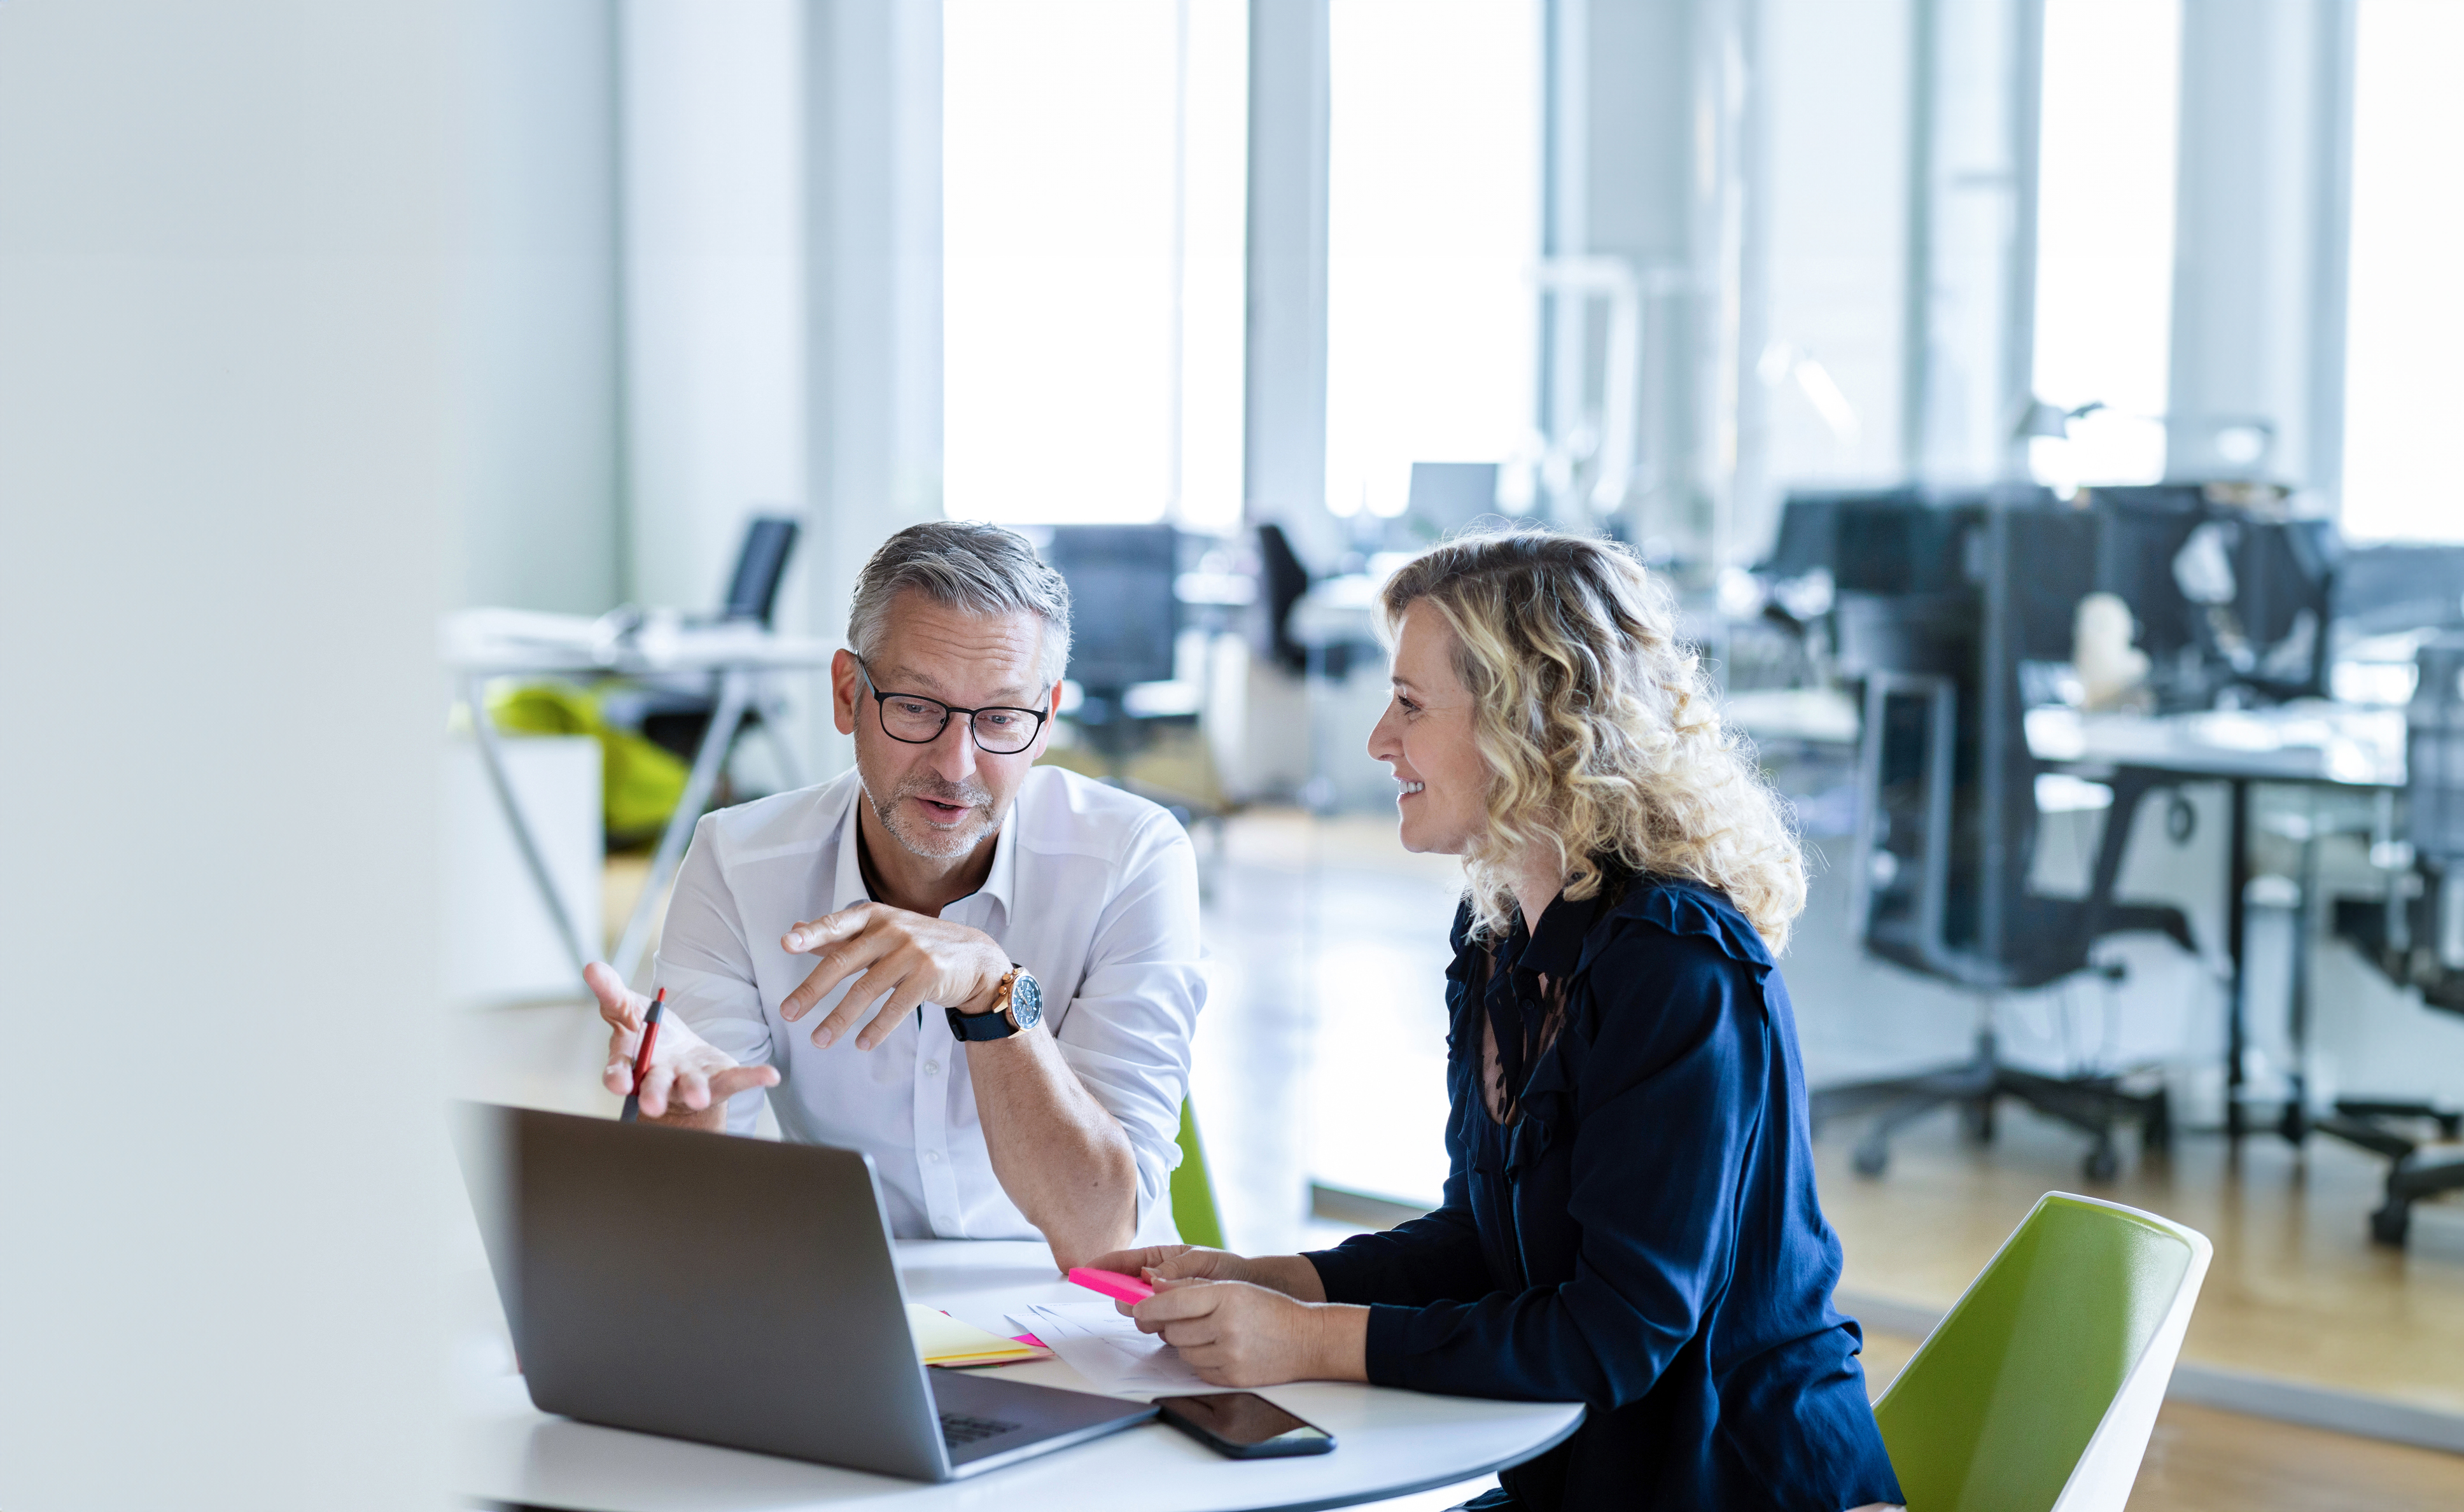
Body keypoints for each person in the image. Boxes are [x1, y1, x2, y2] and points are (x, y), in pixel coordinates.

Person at [1088, 531, 1903, 1512]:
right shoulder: (1500, 942)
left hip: (1734, 1482)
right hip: (1584, 1479)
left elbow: (1619, 1332)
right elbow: (1483, 1243)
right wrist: (1275, 1280)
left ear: (1530, 723)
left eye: (1411, 706)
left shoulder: (1676, 966)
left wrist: (1308, 1343)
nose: (1379, 742)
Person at [591, 521, 1203, 1270]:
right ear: (849, 694)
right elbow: (667, 1227)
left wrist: (993, 994)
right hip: (859, 1299)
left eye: (1002, 718)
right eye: (915, 707)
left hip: (1082, 1308)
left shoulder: (1132, 859)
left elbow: (1101, 1233)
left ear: (1045, 721)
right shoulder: (738, 861)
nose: (957, 764)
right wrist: (685, 1103)